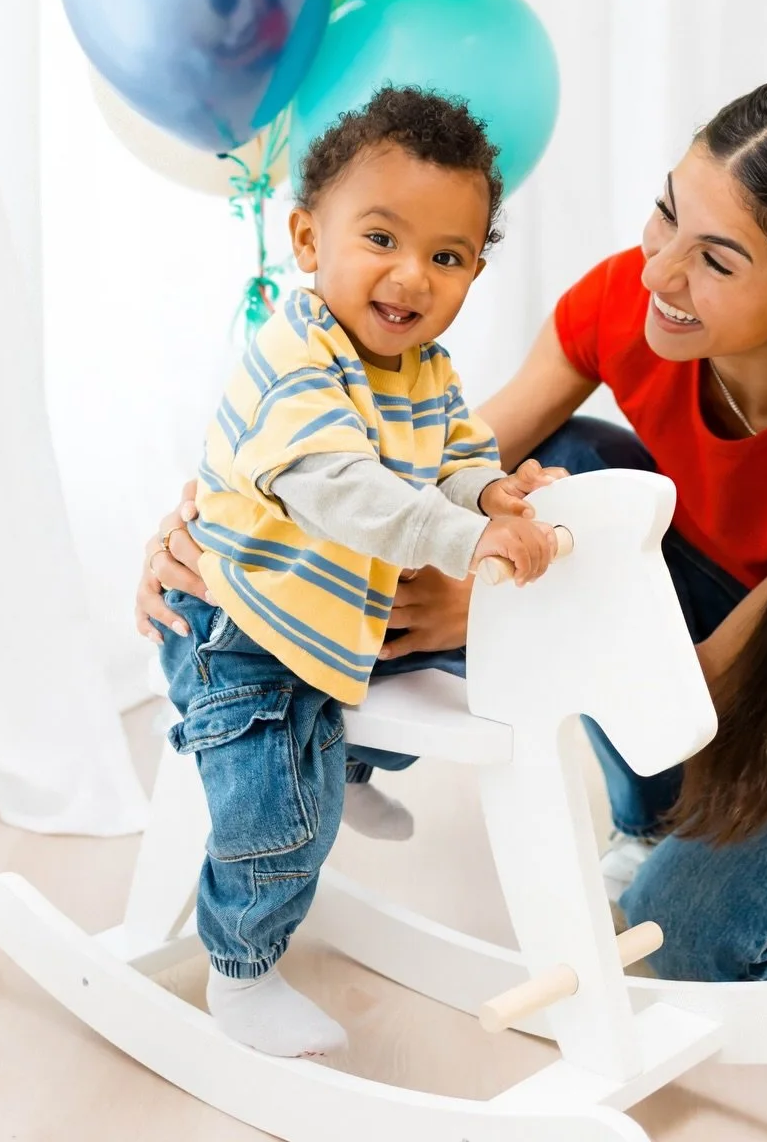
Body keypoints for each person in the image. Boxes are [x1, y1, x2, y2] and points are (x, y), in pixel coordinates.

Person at [141, 79, 767, 988]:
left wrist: (494, 607)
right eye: (667, 214)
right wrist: (225, 527)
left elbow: (712, 679)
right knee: (553, 469)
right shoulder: (632, 300)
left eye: (718, 261)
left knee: (691, 933)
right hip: (722, 576)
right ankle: (659, 813)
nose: (660, 272)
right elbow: (412, 471)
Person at [155, 86, 559, 1059]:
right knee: (280, 822)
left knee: (438, 669)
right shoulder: (296, 355)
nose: (412, 275)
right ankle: (242, 973)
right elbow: (344, 491)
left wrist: (489, 499)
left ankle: (353, 759)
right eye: (381, 238)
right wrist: (463, 544)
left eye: (448, 256)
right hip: (237, 627)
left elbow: (456, 452)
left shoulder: (425, 369)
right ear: (306, 238)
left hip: (324, 617)